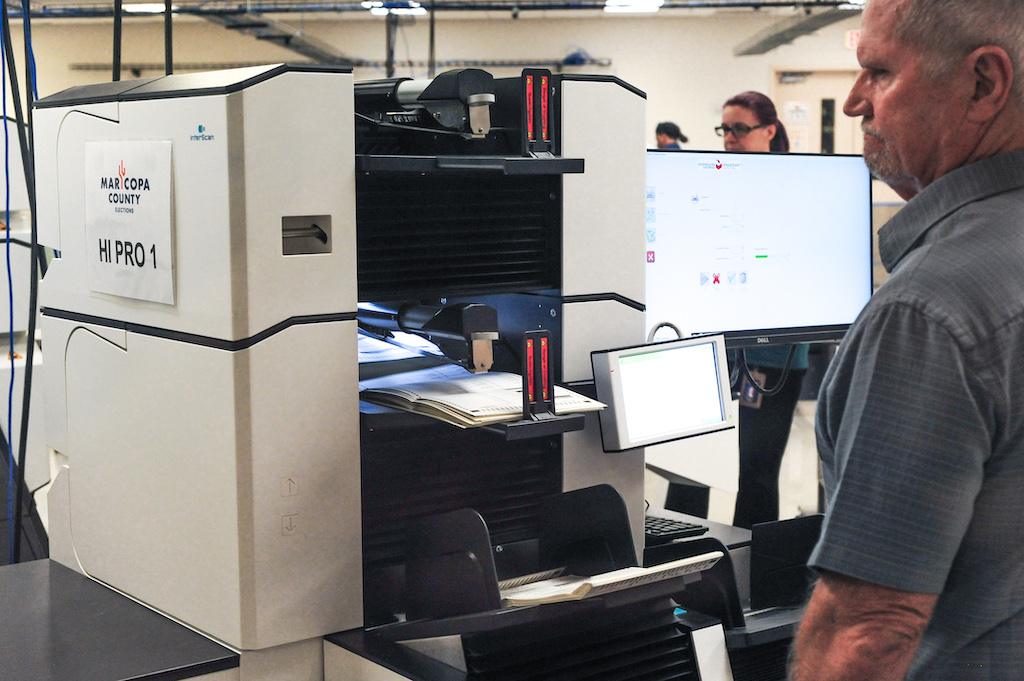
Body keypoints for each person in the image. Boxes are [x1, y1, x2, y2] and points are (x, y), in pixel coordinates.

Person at [790, 1, 1024, 679]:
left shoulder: (930, 311)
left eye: (879, 71)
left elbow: (870, 632)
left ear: (983, 84)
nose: (856, 100)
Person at [716, 91, 809, 529]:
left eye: (740, 128)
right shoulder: (714, 181)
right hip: (718, 346)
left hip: (774, 355)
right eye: (725, 129)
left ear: (769, 131)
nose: (730, 138)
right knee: (688, 464)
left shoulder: (793, 185)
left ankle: (753, 571)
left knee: (755, 470)